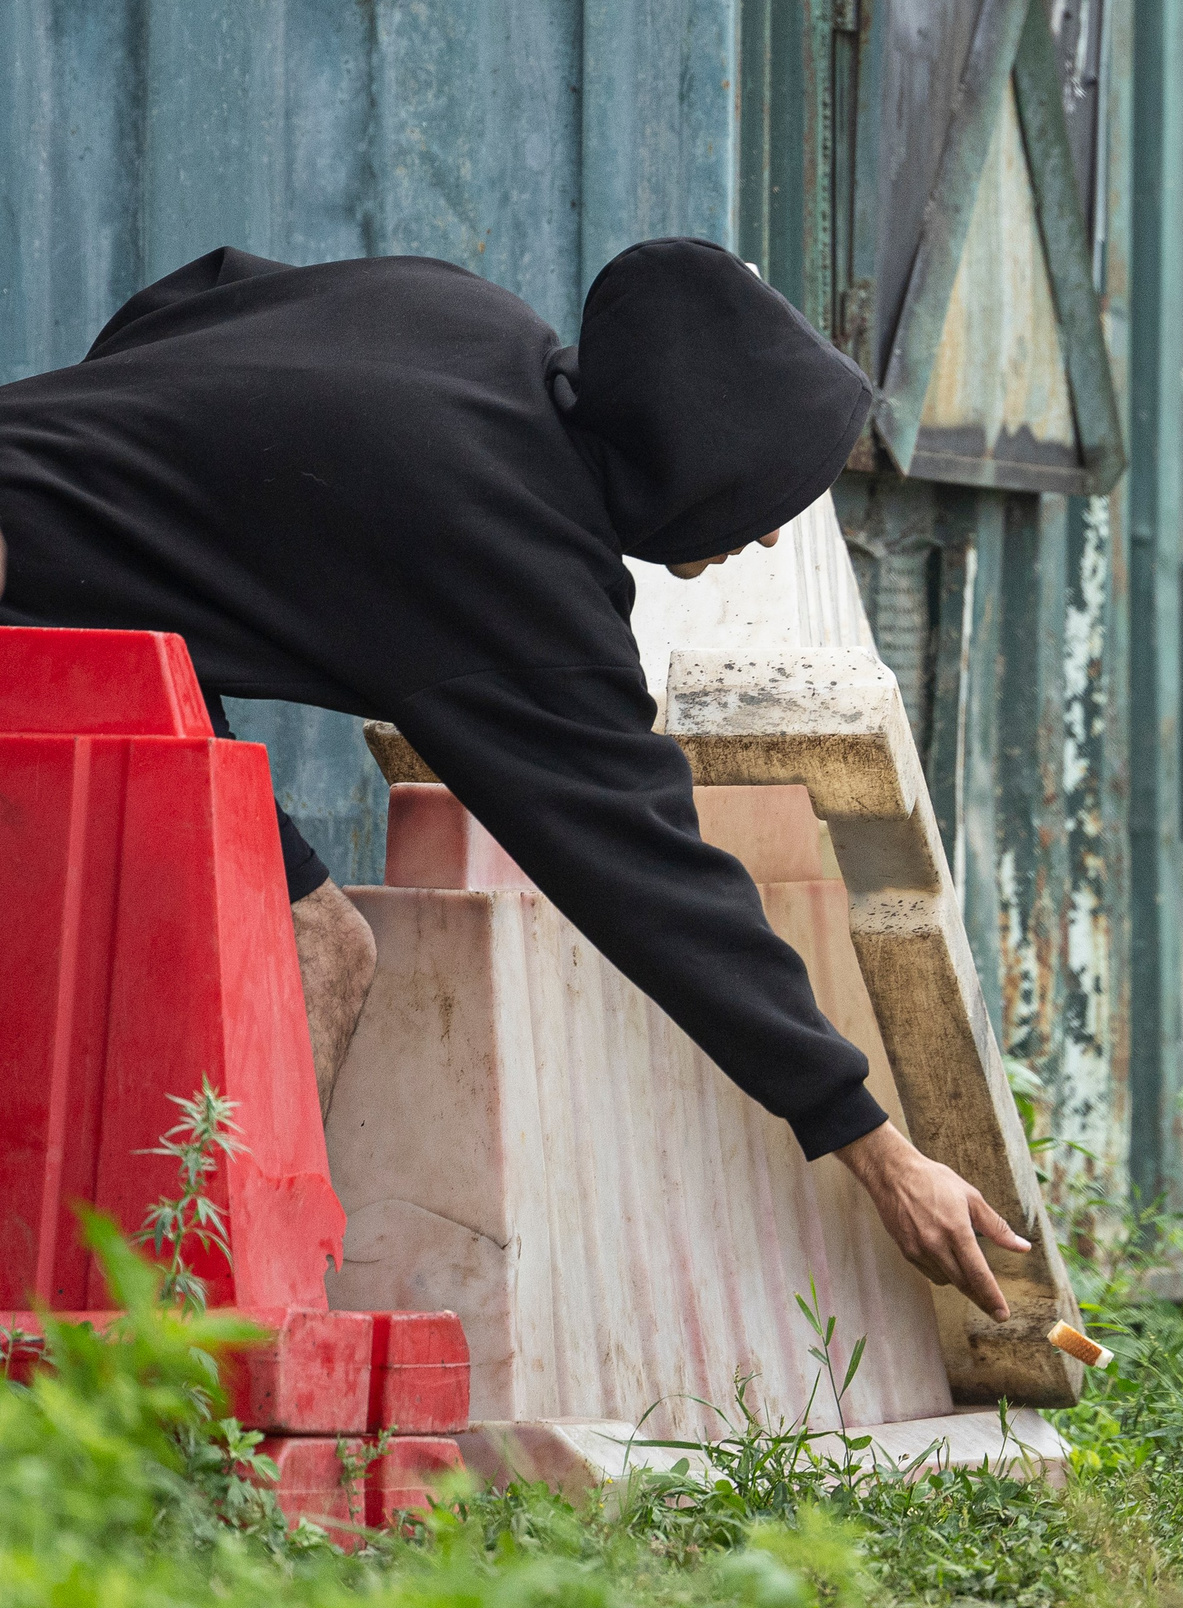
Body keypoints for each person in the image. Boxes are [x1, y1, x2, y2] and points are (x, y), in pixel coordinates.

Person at [0, 238, 1029, 1320]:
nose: (769, 533)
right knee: (314, 951)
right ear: (695, 455)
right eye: (762, 490)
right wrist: (874, 1145)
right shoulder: (518, 568)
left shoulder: (462, 313)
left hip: (68, 596)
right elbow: (654, 880)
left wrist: (122, 483)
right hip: (32, 620)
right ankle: (210, 1361)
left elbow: (200, 288)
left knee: (279, 932)